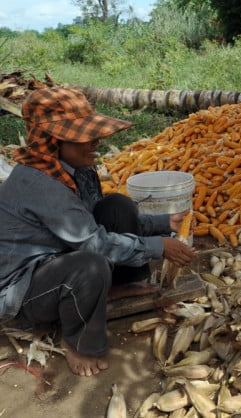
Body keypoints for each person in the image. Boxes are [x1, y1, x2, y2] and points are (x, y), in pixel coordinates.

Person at [0, 87, 197, 377]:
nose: (96, 142)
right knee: (89, 265)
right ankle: (78, 342)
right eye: (84, 138)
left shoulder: (77, 169)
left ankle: (114, 287)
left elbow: (94, 223)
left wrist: (164, 223)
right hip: (25, 288)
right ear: (54, 142)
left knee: (117, 206)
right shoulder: (40, 184)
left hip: (59, 257)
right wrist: (159, 246)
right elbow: (96, 244)